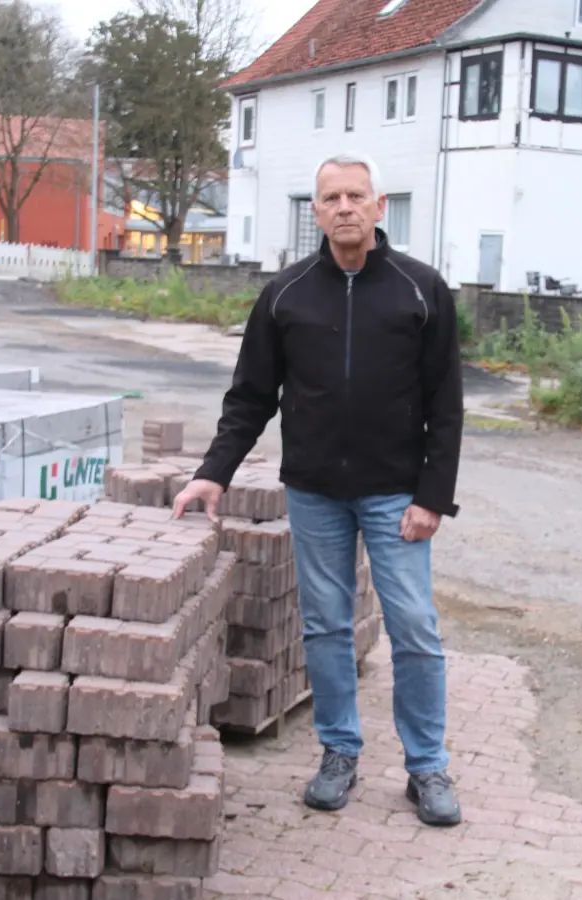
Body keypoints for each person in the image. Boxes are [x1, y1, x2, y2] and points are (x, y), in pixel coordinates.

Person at [172, 152, 464, 827]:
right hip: (314, 493)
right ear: (316, 210)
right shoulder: (286, 293)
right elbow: (250, 397)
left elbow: (445, 406)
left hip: (396, 493)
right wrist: (212, 472)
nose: (344, 208)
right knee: (328, 627)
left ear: (378, 205)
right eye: (331, 198)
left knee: (415, 628)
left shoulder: (420, 290)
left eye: (355, 196)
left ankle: (427, 767)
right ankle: (339, 753)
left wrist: (432, 496)